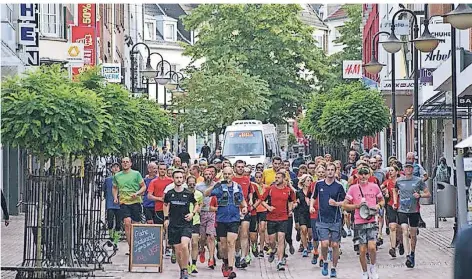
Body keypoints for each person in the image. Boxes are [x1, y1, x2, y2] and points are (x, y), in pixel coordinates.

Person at [204, 166, 248, 279]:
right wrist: (215, 184)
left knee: (231, 242)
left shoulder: (237, 187)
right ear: (223, 174)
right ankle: (226, 262)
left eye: (229, 174)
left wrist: (245, 207)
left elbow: (242, 199)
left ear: (232, 175)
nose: (227, 176)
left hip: (234, 218)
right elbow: (206, 193)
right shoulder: (219, 187)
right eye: (225, 174)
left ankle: (231, 269)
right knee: (223, 246)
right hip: (221, 219)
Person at [344, 166, 385, 279]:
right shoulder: (353, 188)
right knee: (362, 249)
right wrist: (356, 206)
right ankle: (364, 272)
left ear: (369, 175)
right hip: (359, 221)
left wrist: (378, 205)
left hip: (371, 220)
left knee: (372, 247)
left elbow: (382, 200)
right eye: (360, 174)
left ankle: (373, 266)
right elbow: (345, 204)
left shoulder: (375, 187)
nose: (363, 176)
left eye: (365, 174)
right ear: (357, 175)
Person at [310, 162, 346, 278]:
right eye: (328, 170)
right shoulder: (319, 184)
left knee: (335, 245)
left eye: (332, 170)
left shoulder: (339, 186)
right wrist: (311, 206)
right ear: (325, 171)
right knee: (325, 244)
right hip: (322, 219)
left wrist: (336, 203)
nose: (330, 172)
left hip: (335, 219)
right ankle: (325, 261)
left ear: (335, 171)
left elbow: (345, 202)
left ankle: (334, 268)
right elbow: (313, 197)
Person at [394, 161, 431, 268]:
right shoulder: (399, 180)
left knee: (413, 234)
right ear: (404, 169)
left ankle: (413, 253)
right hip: (402, 210)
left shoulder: (418, 181)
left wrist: (419, 195)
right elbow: (395, 190)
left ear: (413, 169)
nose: (408, 169)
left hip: (414, 210)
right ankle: (408, 255)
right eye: (407, 168)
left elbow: (428, 194)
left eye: (410, 168)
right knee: (405, 231)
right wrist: (396, 201)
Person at [164, 169, 199, 279]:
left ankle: (185, 269)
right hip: (174, 224)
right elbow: (165, 205)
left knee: (185, 245)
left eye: (180, 178)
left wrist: (192, 213)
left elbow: (197, 203)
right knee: (178, 251)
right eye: (177, 178)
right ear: (173, 179)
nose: (179, 179)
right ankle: (182, 269)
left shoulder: (188, 193)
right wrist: (166, 218)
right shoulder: (169, 193)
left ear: (183, 179)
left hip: (186, 224)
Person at [261, 171, 296, 271]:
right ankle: (273, 249)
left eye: (278, 177)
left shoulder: (289, 190)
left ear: (284, 179)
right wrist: (268, 207)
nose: (276, 179)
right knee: (272, 241)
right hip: (271, 217)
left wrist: (290, 209)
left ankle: (280, 261)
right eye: (276, 177)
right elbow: (262, 200)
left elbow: (292, 201)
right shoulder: (270, 189)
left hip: (283, 218)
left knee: (281, 239)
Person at [112, 157, 147, 254]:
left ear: (131, 163)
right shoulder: (117, 175)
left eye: (127, 162)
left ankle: (139, 245)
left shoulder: (136, 174)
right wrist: (115, 197)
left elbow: (144, 186)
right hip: (124, 202)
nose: (125, 164)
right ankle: (131, 248)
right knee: (127, 223)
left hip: (135, 201)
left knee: (136, 224)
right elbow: (114, 187)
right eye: (123, 162)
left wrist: (137, 193)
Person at [196, 169, 217, 269]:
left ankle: (211, 258)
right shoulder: (199, 186)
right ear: (203, 175)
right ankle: (202, 249)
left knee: (211, 236)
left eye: (210, 174)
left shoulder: (217, 185)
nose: (208, 176)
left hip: (212, 213)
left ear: (213, 175)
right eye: (206, 174)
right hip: (202, 213)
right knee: (202, 238)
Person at [186, 175, 204, 274]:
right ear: (187, 183)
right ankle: (187, 264)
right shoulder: (183, 192)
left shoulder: (199, 194)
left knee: (194, 243)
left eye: (193, 182)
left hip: (195, 220)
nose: (192, 184)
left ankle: (194, 264)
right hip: (185, 220)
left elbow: (200, 203)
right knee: (186, 244)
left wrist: (199, 209)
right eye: (190, 182)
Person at [103, 162, 121, 244]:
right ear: (111, 169)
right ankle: (111, 236)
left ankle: (116, 241)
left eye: (117, 167)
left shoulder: (122, 179)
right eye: (114, 167)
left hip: (120, 204)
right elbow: (104, 191)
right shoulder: (107, 180)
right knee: (109, 222)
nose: (116, 168)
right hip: (110, 203)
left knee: (118, 223)